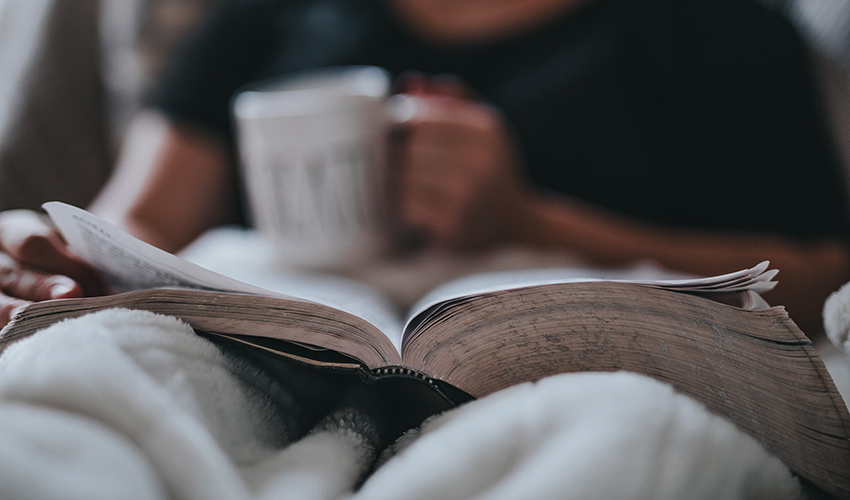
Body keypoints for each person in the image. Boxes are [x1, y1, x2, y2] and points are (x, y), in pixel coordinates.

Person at [0, 0, 848, 334]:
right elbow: (134, 221)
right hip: (278, 357)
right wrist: (38, 254)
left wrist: (528, 222)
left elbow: (824, 282)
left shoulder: (711, 25)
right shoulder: (257, 23)